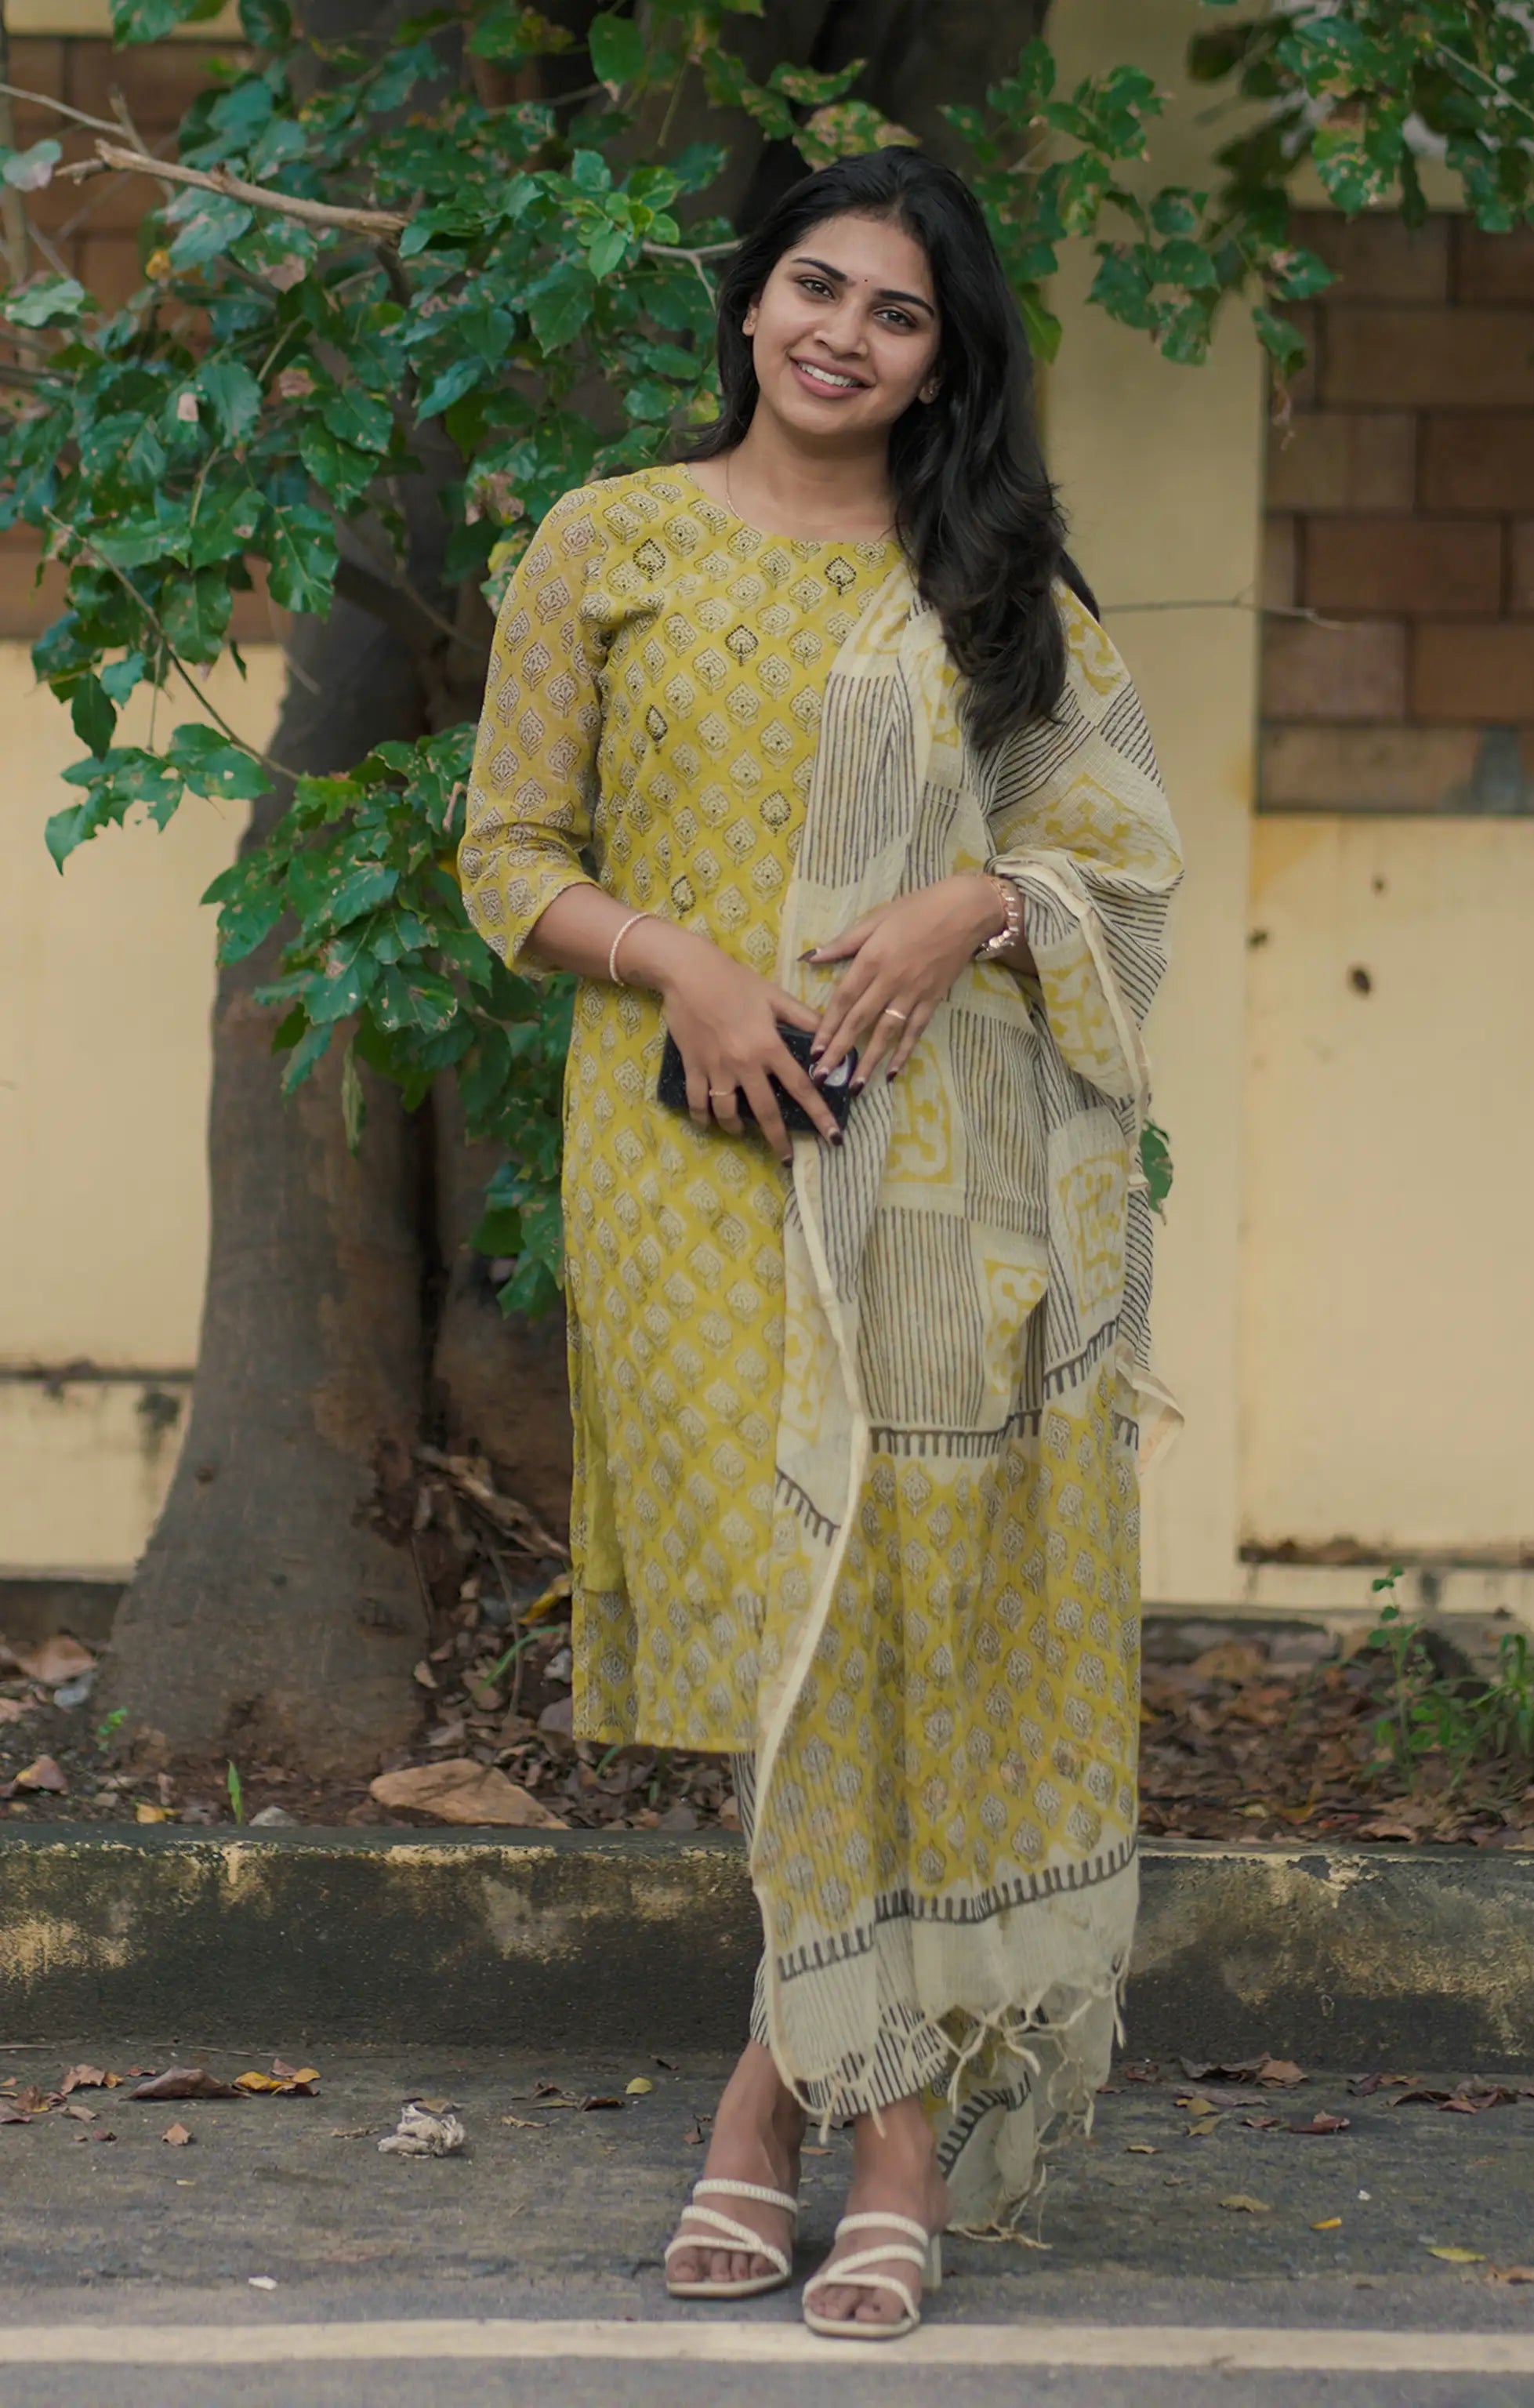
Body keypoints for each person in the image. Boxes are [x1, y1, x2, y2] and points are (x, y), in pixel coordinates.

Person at [459, 144, 1181, 2343]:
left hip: (944, 1180)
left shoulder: (991, 584)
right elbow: (508, 858)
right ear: (750, 303)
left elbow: (1118, 864)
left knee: (899, 1635)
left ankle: (839, 2141)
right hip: (691, 1171)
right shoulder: (610, 542)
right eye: (812, 286)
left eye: (894, 314)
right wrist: (675, 958)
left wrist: (979, 902)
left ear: (942, 364)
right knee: (799, 1656)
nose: (838, 334)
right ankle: (828, 2109)